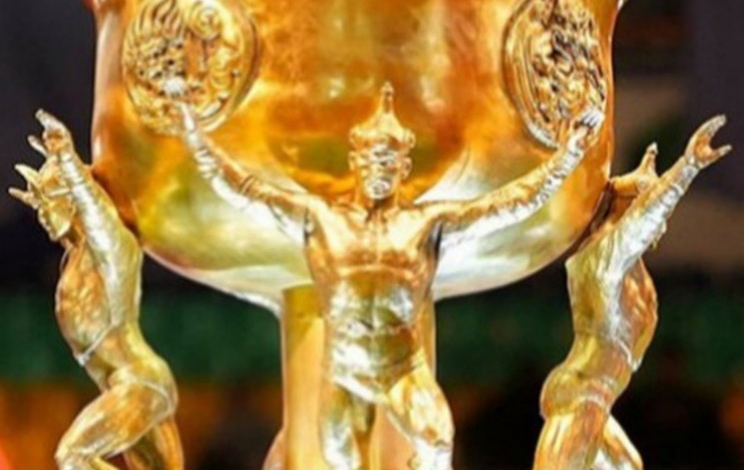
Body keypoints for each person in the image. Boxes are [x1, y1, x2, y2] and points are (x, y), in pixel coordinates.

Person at [170, 81, 603, 470]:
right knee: (340, 461)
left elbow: (510, 205)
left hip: (401, 367)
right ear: (356, 162)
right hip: (345, 369)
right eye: (374, 160)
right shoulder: (321, 221)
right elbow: (243, 190)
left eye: (389, 162)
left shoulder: (425, 225)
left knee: (437, 440)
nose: (380, 169)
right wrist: (192, 131)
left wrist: (567, 157)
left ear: (402, 169)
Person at [533, 116, 730, 470]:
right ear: (629, 208)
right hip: (581, 394)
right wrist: (687, 168)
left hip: (597, 398)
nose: (662, 228)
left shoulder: (629, 269)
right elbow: (642, 225)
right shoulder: (599, 261)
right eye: (647, 202)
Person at [10, 111, 183, 470]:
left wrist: (69, 163)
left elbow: (96, 213)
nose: (42, 213)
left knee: (74, 456)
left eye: (49, 202)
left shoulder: (112, 252)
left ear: (72, 198)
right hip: (120, 387)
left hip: (140, 384)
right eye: (39, 206)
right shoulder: (72, 262)